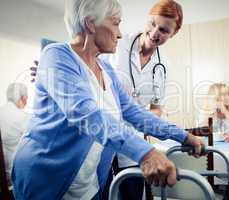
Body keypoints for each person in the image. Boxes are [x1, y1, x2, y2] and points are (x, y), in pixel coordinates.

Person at [11, 0, 204, 199]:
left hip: (89, 184)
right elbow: (87, 115)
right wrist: (146, 153)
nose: (119, 33)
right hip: (46, 180)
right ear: (90, 23)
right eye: (115, 23)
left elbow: (134, 113)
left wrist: (183, 136)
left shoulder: (107, 70)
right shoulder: (57, 55)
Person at [100, 0, 184, 199]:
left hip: (133, 139)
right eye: (153, 24)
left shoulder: (164, 65)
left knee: (132, 194)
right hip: (103, 133)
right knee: (102, 192)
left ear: (173, 34)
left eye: (164, 30)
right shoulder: (117, 44)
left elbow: (156, 108)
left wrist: (139, 118)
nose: (155, 33)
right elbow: (88, 69)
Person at [0, 83, 30, 187]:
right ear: (22, 98)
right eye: (26, 99)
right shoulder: (22, 117)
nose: (26, 103)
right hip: (16, 177)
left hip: (4, 176)